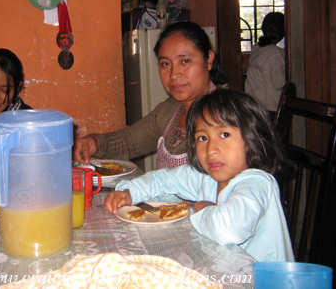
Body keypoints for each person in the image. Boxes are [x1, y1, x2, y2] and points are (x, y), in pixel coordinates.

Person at [104, 89, 294, 262]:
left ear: (253, 138)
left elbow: (228, 229)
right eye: (202, 138)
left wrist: (202, 208)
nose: (211, 149)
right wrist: (130, 192)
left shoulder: (256, 183)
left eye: (225, 134)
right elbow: (163, 179)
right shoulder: (207, 176)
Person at [73, 22, 225, 170]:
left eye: (185, 61)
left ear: (209, 59)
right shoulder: (169, 110)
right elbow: (129, 141)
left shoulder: (227, 115)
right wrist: (95, 141)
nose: (173, 74)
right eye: (165, 64)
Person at [245, 12, 285, 119]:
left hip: (255, 106)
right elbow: (279, 83)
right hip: (271, 109)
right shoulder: (275, 53)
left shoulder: (256, 48)